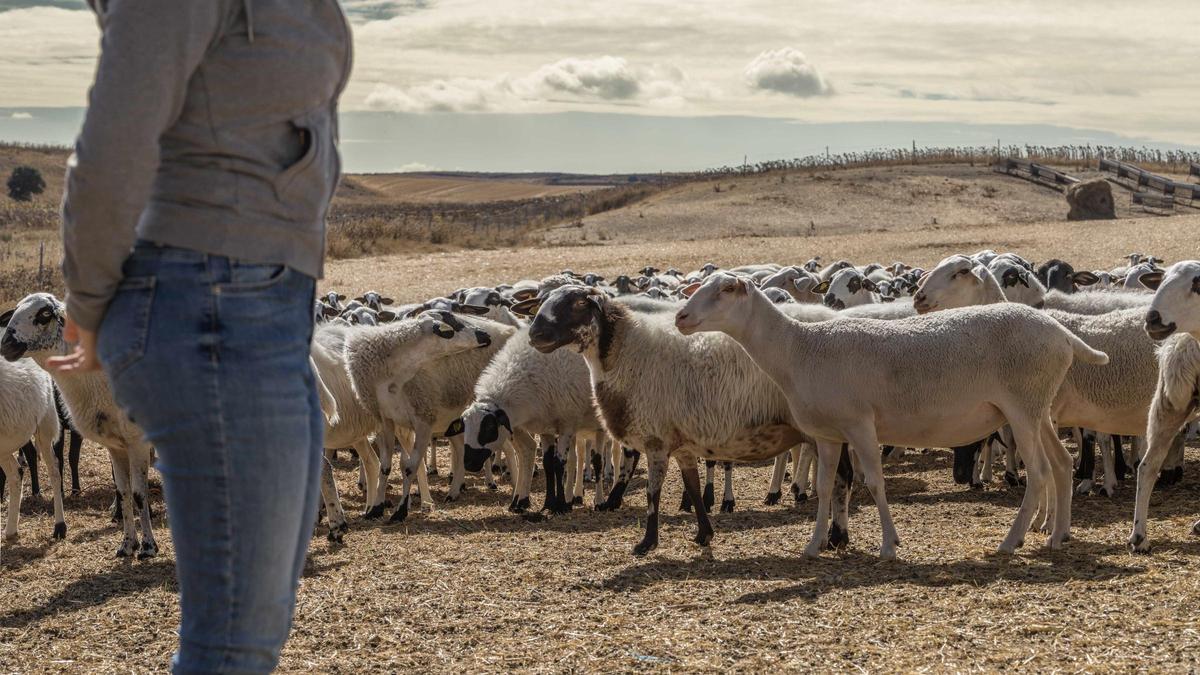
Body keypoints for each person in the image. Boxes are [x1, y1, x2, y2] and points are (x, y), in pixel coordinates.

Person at [51, 1, 352, 671]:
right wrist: (89, 303)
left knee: (253, 627)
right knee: (233, 642)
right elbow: (112, 148)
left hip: (262, 306)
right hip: (210, 303)